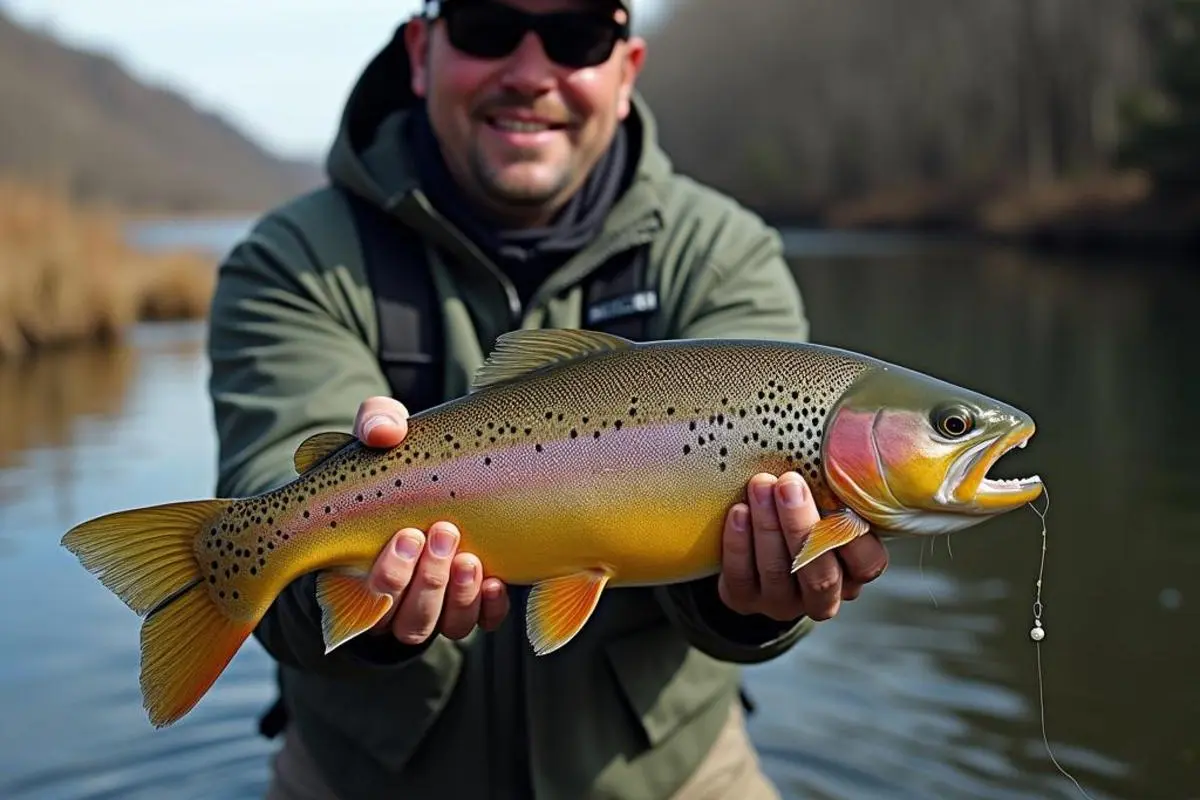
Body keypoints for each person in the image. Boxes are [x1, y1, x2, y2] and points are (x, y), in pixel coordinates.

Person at [206, 0, 890, 798]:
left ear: (626, 71)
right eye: (489, 27)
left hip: (674, 779)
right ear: (421, 52)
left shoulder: (721, 254)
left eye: (576, 37)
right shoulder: (293, 263)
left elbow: (753, 558)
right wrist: (358, 605)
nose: (531, 73)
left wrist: (753, 603)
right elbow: (270, 486)